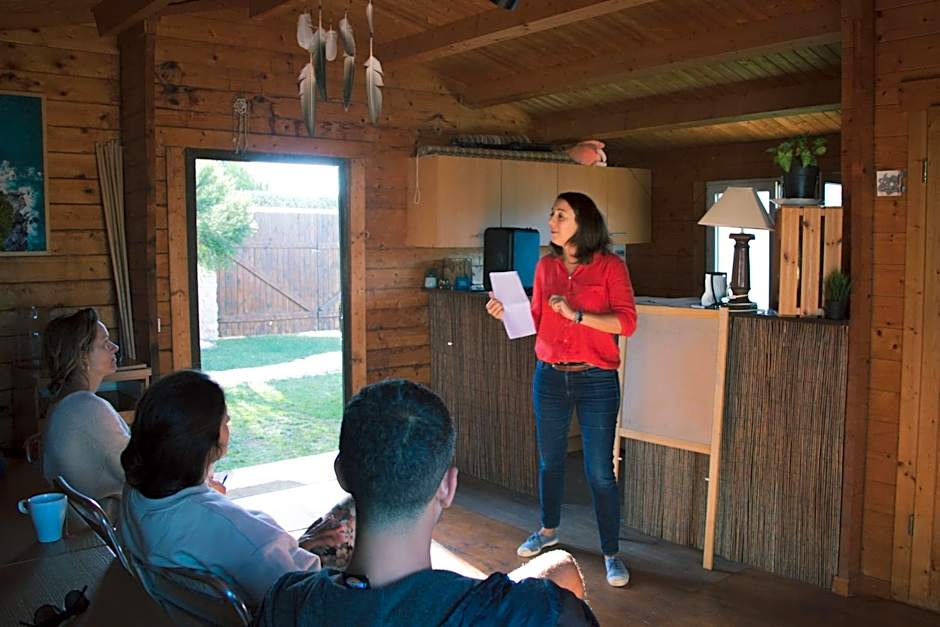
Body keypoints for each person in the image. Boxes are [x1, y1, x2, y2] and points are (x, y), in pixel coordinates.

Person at [255, 379, 599, 626]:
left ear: (342, 474)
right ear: (448, 488)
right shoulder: (531, 611)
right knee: (561, 566)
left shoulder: (286, 601)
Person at [485, 191, 637, 587]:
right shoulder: (545, 266)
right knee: (550, 461)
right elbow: (533, 320)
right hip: (550, 376)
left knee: (599, 472)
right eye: (551, 214)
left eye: (561, 215)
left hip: (597, 381)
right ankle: (549, 531)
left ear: (582, 223)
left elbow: (627, 323)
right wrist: (505, 312)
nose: (551, 221)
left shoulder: (610, 267)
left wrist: (579, 314)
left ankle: (611, 553)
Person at [118, 369, 343, 607]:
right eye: (224, 420)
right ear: (205, 441)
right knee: (349, 524)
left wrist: (297, 546)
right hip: (306, 601)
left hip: (191, 612)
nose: (229, 423)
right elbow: (301, 600)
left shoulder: (135, 494)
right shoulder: (235, 531)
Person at [40, 308, 127, 515]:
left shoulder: (62, 403)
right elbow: (140, 472)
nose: (114, 347)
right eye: (105, 342)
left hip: (79, 519)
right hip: (105, 529)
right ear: (82, 356)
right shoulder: (89, 408)